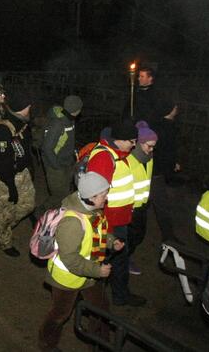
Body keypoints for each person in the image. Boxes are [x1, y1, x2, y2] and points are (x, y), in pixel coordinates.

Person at [38, 171, 122, 351]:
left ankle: (100, 343)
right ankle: (47, 345)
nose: (106, 198)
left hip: (88, 273)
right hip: (67, 279)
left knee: (101, 309)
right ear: (91, 197)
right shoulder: (72, 223)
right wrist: (97, 271)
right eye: (103, 194)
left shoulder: (92, 210)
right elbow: (70, 259)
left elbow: (97, 233)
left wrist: (111, 241)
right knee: (60, 315)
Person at [86, 122, 143, 306]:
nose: (134, 145)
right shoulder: (105, 158)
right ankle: (102, 298)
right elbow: (95, 198)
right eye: (132, 141)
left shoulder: (117, 154)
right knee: (108, 261)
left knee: (117, 260)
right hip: (110, 223)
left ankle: (116, 294)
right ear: (120, 140)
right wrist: (105, 230)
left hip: (118, 220)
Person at [0, 91, 36, 257]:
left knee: (28, 205)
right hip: (6, 178)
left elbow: (25, 150)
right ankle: (4, 242)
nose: (30, 109)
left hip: (22, 173)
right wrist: (11, 186)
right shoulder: (3, 130)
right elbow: (3, 162)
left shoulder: (22, 124)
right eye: (28, 107)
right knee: (5, 211)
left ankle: (3, 224)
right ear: (21, 108)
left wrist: (29, 168)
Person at [39, 95, 83, 217]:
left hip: (66, 163)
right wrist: (57, 166)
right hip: (56, 166)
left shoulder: (69, 119)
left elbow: (67, 140)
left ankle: (55, 217)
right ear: (77, 110)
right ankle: (40, 214)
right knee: (59, 197)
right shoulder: (58, 123)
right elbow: (47, 148)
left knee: (64, 194)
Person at [126, 121, 158, 276]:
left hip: (142, 206)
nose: (151, 149)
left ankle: (126, 257)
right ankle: (124, 261)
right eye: (149, 145)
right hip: (130, 207)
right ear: (139, 143)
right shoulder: (129, 160)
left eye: (153, 146)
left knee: (139, 235)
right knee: (129, 238)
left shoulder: (149, 158)